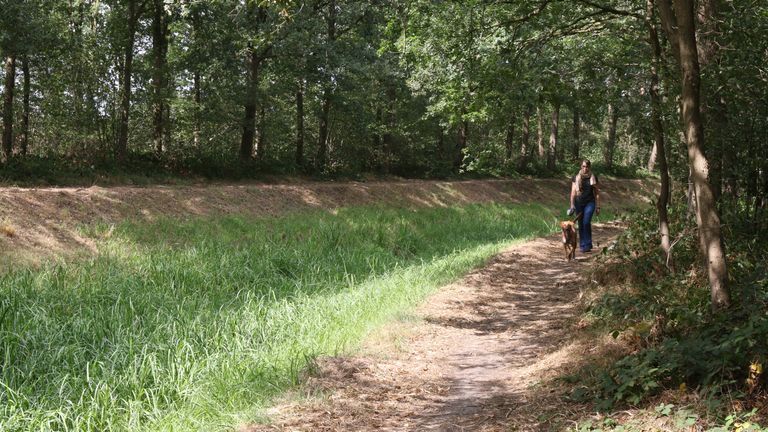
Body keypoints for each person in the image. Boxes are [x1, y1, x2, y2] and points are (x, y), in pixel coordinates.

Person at [569, 159, 600, 253]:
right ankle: (583, 246)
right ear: (581, 167)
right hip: (579, 202)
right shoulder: (576, 177)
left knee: (586, 222)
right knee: (581, 224)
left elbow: (597, 193)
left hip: (590, 202)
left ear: (589, 167)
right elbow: (573, 192)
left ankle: (588, 244)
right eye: (583, 166)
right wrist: (572, 205)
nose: (585, 168)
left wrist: (598, 206)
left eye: (587, 166)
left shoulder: (593, 177)